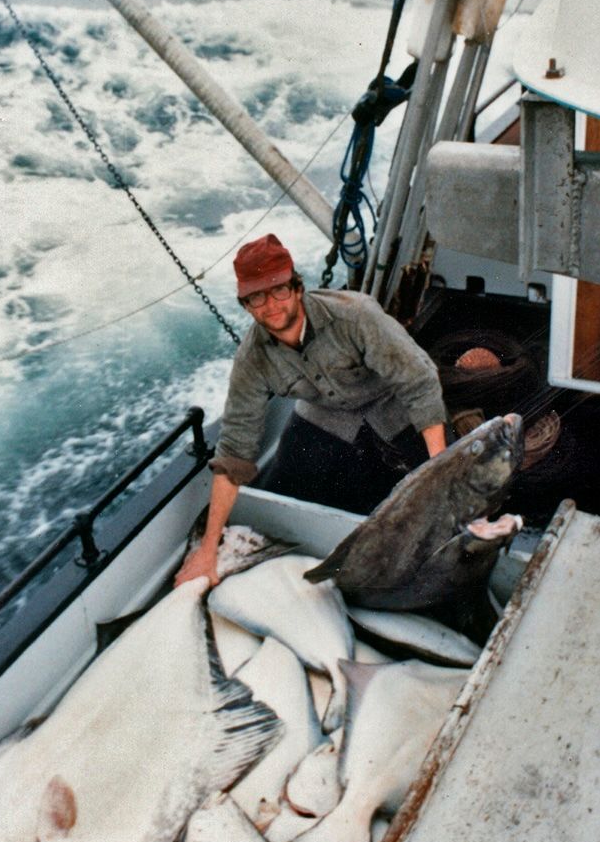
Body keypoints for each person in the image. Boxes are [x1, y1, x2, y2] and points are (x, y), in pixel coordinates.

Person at [176, 233, 447, 587]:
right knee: (276, 495)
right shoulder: (252, 359)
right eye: (256, 297)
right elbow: (235, 448)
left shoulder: (355, 315)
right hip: (324, 415)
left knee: (437, 499)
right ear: (245, 305)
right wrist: (208, 548)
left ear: (298, 288)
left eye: (279, 290)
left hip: (391, 407)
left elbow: (419, 382)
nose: (270, 305)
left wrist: (438, 469)